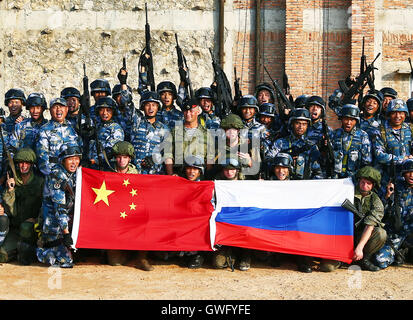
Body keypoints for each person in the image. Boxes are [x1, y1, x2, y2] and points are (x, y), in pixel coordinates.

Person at [320, 166, 387, 272]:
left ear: (373, 185)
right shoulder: (347, 192)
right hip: (341, 236)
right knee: (327, 268)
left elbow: (370, 226)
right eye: (362, 182)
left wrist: (359, 247)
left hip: (360, 235)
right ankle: (341, 258)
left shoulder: (376, 201)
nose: (364, 186)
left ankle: (362, 259)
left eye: (368, 183)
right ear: (359, 181)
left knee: (381, 233)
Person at [105, 141, 154, 271]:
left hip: (133, 215)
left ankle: (141, 257)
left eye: (125, 157)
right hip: (114, 218)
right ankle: (128, 255)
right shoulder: (107, 173)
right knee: (114, 262)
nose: (122, 160)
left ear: (130, 158)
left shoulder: (137, 175)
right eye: (119, 157)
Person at [36, 145, 82, 268]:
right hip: (54, 223)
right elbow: (59, 208)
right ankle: (40, 250)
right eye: (70, 159)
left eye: (77, 158)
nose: (74, 162)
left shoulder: (75, 173)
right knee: (63, 262)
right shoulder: (56, 176)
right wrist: (67, 234)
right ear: (63, 160)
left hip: (68, 219)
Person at [0, 148, 44, 265]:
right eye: (21, 163)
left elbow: (46, 205)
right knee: (2, 255)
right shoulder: (13, 182)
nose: (23, 166)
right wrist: (10, 190)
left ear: (31, 164)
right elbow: (11, 211)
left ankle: (28, 251)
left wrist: (37, 220)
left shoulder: (40, 182)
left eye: (27, 163)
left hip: (32, 228)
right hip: (15, 229)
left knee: (25, 258)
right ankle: (18, 249)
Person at [212, 157, 253, 271]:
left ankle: (245, 254)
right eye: (226, 170)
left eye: (232, 169)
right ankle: (231, 253)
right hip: (224, 222)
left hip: (242, 219)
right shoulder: (217, 183)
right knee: (218, 263)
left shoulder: (246, 182)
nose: (229, 172)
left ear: (237, 170)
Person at [374, 159, 413, 268]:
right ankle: (400, 251)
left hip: (411, 231)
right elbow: (381, 212)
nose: (412, 175)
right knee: (380, 260)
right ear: (404, 173)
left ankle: (407, 251)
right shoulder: (394, 187)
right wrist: (388, 195)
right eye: (409, 172)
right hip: (396, 233)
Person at [265, 108, 323, 180]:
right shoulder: (280, 143)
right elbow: (268, 160)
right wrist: (284, 159)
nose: (301, 127)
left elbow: (318, 173)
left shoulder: (311, 147)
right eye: (298, 123)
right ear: (292, 124)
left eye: (304, 124)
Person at [372, 98, 413, 199]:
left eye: (401, 113)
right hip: (387, 177)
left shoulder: (410, 129)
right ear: (389, 114)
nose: (398, 116)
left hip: (408, 178)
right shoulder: (380, 131)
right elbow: (379, 155)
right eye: (394, 113)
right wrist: (402, 159)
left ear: (405, 114)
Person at [167, 98, 214, 176]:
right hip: (179, 176)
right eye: (185, 111)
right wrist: (171, 175)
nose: (188, 114)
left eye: (191, 111)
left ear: (198, 112)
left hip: (199, 177)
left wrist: (207, 178)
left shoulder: (206, 134)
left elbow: (209, 160)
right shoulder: (174, 132)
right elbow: (168, 156)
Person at [36, 97, 82, 176]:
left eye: (61, 107)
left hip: (74, 174)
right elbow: (42, 157)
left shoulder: (74, 128)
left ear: (67, 109)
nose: (58, 110)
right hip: (54, 175)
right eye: (55, 107)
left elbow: (80, 150)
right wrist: (55, 175)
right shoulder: (44, 130)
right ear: (50, 110)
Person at [130, 91, 172, 175]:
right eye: (147, 105)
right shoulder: (136, 122)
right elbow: (127, 103)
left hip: (155, 175)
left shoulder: (164, 129)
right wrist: (123, 82)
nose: (150, 108)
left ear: (158, 107)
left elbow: (167, 155)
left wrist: (170, 176)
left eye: (153, 105)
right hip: (136, 173)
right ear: (143, 107)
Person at [331, 104, 372, 179]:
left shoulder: (362, 136)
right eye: (346, 119)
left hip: (354, 178)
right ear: (342, 119)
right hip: (335, 177)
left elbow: (366, 161)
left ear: (356, 121)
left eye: (352, 120)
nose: (348, 122)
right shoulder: (335, 134)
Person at [88, 97, 124, 170]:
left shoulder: (116, 129)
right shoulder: (97, 126)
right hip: (94, 167)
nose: (104, 113)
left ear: (113, 112)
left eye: (108, 110)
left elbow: (112, 151)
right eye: (101, 110)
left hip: (108, 167)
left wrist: (95, 160)